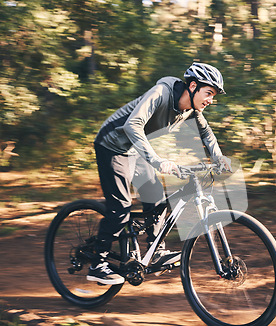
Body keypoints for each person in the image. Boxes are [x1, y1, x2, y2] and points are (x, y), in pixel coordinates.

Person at [87, 62, 231, 285]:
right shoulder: (161, 93)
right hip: (112, 145)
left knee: (155, 198)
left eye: (213, 95)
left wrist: (218, 157)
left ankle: (157, 251)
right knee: (120, 208)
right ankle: (98, 263)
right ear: (193, 86)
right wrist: (157, 160)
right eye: (209, 93)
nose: (211, 100)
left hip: (135, 149)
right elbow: (132, 125)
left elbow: (206, 133)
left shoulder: (191, 108)